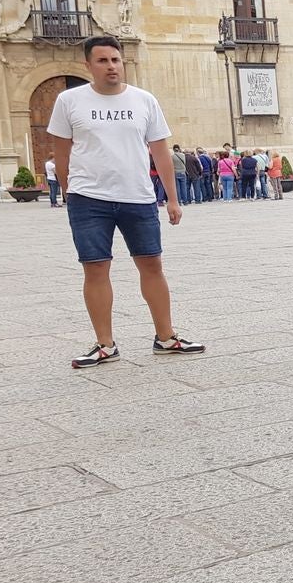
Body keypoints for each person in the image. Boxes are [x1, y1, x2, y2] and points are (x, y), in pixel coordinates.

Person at [46, 36, 205, 368]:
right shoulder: (69, 100)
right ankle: (105, 344)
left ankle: (166, 337)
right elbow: (61, 153)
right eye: (102, 61)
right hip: (89, 199)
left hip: (138, 196)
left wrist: (172, 199)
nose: (111, 66)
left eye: (115, 60)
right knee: (95, 268)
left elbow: (160, 151)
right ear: (89, 65)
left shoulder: (144, 100)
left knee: (152, 265)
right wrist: (69, 193)